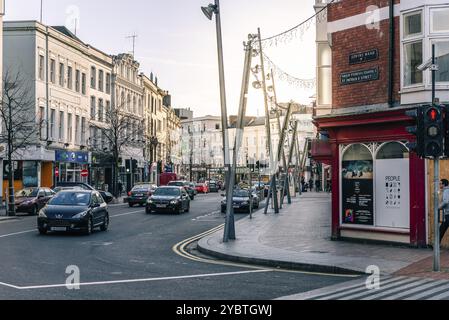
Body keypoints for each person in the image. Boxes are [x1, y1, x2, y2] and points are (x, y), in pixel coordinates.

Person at [439, 179, 449, 243]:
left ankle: (436, 246)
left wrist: (438, 207)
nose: (439, 185)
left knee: (441, 230)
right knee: (441, 230)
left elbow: (445, 201)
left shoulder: (446, 191)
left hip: (448, 214)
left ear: (444, 184)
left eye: (440, 183)